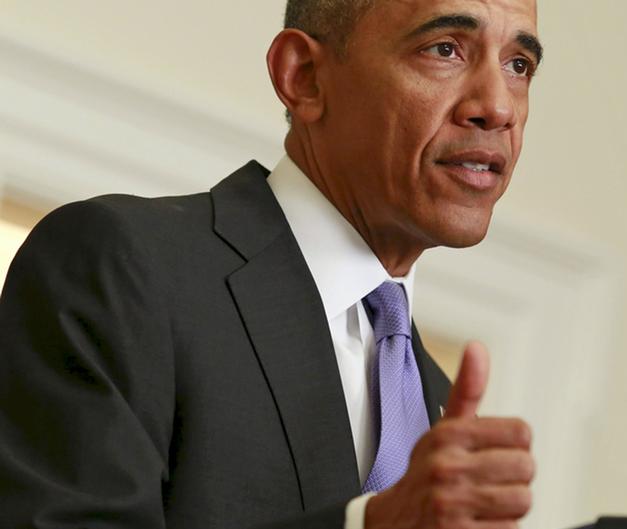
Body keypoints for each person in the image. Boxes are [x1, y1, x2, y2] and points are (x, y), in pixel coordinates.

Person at [0, 0, 543, 528]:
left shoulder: (435, 401)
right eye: (445, 49)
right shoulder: (119, 266)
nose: (497, 106)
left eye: (518, 65)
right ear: (303, 76)